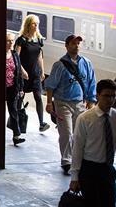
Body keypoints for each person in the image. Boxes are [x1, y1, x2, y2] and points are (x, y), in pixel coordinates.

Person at [69, 79, 116, 207]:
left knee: (109, 202)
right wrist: (75, 177)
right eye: (106, 96)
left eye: (113, 96)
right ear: (98, 95)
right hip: (88, 170)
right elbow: (77, 148)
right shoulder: (85, 119)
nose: (110, 100)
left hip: (107, 169)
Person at [45, 34, 97, 175]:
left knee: (79, 133)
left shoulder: (86, 63)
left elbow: (91, 82)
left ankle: (78, 159)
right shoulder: (60, 65)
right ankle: (67, 160)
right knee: (67, 132)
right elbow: (50, 86)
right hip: (63, 103)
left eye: (78, 43)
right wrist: (49, 103)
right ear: (67, 46)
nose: (77, 46)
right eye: (73, 43)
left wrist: (91, 101)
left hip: (80, 103)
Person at [14, 14, 50, 132]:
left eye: (37, 24)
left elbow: (40, 56)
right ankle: (17, 123)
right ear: (28, 25)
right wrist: (22, 71)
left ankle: (41, 123)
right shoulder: (21, 40)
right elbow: (16, 57)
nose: (36, 26)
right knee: (20, 97)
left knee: (38, 97)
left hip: (35, 73)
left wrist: (42, 71)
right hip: (23, 74)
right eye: (34, 24)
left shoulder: (39, 39)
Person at [6, 33, 26, 145]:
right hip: (0, 89)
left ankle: (16, 135)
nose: (10, 43)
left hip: (12, 87)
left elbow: (18, 72)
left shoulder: (14, 55)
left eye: (12, 41)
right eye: (8, 41)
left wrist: (21, 88)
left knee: (13, 111)